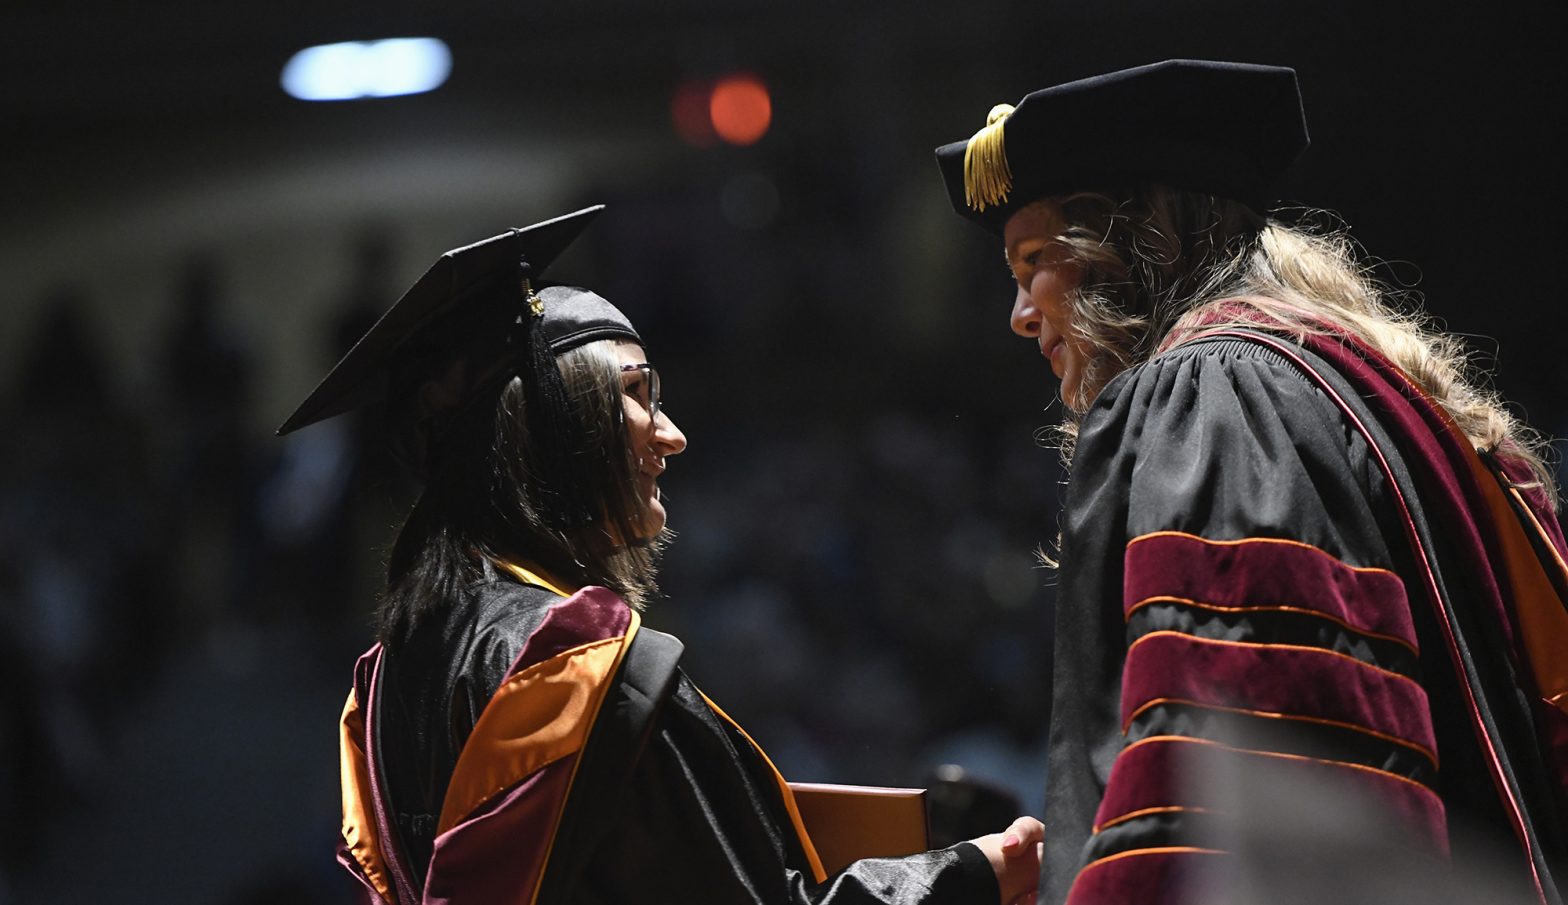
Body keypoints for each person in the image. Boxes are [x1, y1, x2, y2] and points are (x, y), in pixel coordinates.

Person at [278, 206, 1044, 904]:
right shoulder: (573, 667)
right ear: (553, 427)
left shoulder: (391, 676)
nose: (671, 435)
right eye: (639, 393)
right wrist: (974, 873)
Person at [933, 60, 1566, 904]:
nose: (1020, 313)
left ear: (1127, 242)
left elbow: (1229, 782)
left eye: (1035, 260)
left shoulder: (1217, 395)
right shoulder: (1370, 389)